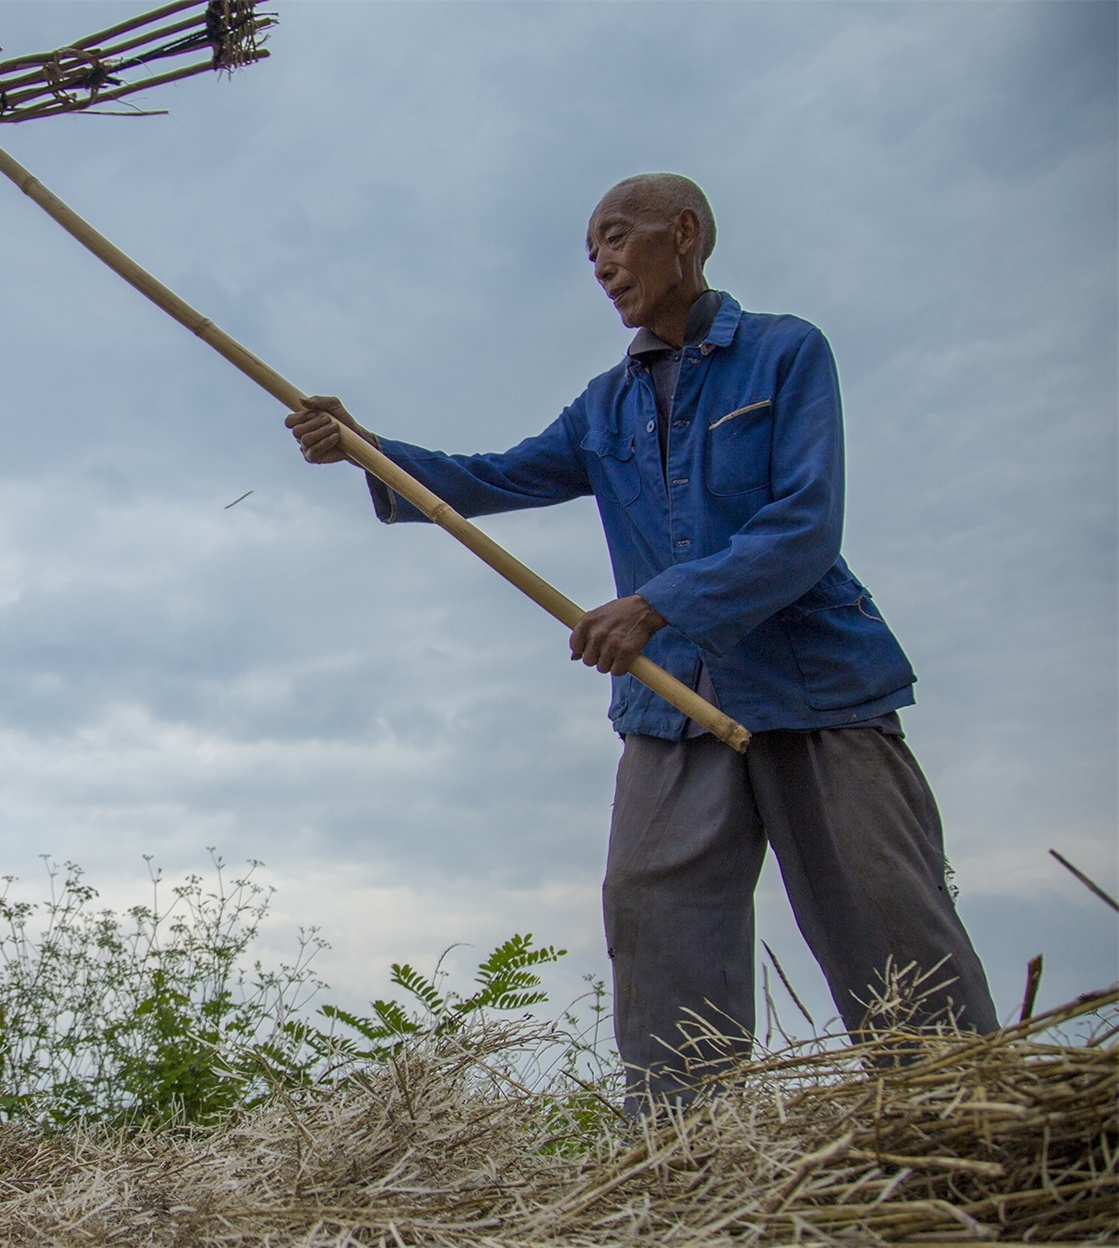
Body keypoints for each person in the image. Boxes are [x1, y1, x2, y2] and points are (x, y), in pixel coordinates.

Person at [286, 173, 999, 1108]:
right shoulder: (602, 407)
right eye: (590, 253)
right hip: (671, 706)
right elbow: (489, 478)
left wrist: (654, 606)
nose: (602, 264)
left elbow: (803, 526)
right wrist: (364, 446)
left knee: (883, 916)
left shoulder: (785, 353)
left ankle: (973, 1126)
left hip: (816, 686)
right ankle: (680, 1160)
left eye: (616, 239)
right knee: (655, 918)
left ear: (686, 234)